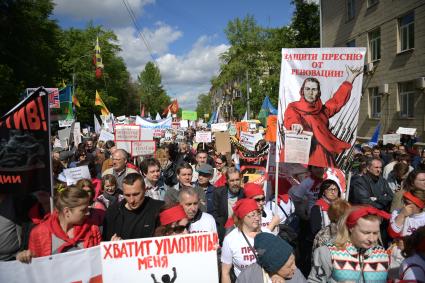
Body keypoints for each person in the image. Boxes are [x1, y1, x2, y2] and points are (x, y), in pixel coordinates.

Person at [282, 66, 363, 168]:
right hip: (302, 157)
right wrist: (295, 124)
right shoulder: (294, 107)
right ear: (302, 91)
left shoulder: (322, 111)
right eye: (307, 89)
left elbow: (337, 101)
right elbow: (291, 118)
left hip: (323, 158)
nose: (310, 92)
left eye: (314, 89)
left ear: (318, 92)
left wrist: (350, 78)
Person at [16, 186, 102, 262]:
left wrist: (111, 247)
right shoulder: (39, 233)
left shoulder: (93, 229)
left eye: (88, 208)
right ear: (67, 211)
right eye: (83, 210)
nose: (88, 213)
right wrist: (24, 258)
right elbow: (35, 268)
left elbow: (99, 261)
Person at [308, 206, 390, 282]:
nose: (371, 239)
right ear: (351, 228)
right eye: (366, 233)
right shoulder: (328, 252)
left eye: (375, 233)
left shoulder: (383, 254)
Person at [102, 173, 163, 241]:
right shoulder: (112, 213)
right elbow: (105, 243)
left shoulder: (158, 208)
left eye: (136, 194)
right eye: (127, 195)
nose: (131, 200)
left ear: (145, 190)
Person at [221, 198, 264, 283]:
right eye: (252, 215)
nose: (257, 218)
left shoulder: (266, 232)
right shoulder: (230, 239)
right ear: (243, 217)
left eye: (258, 214)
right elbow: (225, 272)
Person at [236, 233, 307, 283]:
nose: (294, 267)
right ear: (273, 268)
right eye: (289, 266)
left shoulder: (295, 274)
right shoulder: (248, 277)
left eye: (294, 261)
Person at [212, 167, 244, 243]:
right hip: (223, 231)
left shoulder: (244, 193)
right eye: (232, 181)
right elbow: (215, 213)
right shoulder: (218, 193)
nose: (235, 183)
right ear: (227, 181)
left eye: (237, 180)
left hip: (240, 231)